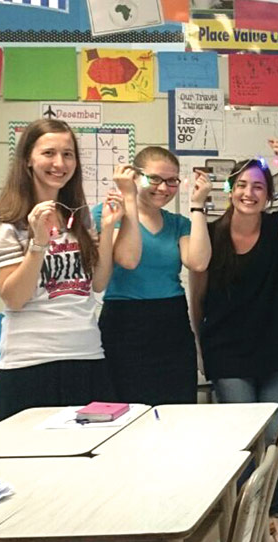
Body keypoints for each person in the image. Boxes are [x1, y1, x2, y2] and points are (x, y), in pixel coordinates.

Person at [190, 138, 278, 542]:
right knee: (243, 435)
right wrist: (199, 344)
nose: (250, 193)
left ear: (268, 195)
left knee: (273, 433)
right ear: (231, 190)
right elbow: (198, 290)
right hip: (226, 348)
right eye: (243, 185)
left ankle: (271, 512)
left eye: (259, 187)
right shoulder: (210, 232)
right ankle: (245, 510)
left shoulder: (275, 227)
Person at [0, 119, 123, 422]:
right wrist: (38, 243)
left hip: (86, 356)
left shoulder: (77, 216)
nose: (59, 163)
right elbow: (14, 298)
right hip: (30, 363)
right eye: (48, 153)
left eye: (68, 154)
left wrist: (109, 230)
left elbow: (97, 284)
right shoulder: (7, 219)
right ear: (28, 160)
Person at [91, 146, 212, 406]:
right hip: (124, 324)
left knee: (177, 413)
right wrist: (129, 200)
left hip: (171, 324)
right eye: (154, 179)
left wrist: (197, 206)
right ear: (135, 177)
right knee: (125, 412)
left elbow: (199, 262)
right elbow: (128, 258)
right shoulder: (109, 213)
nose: (163, 188)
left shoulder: (178, 223)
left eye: (172, 181)